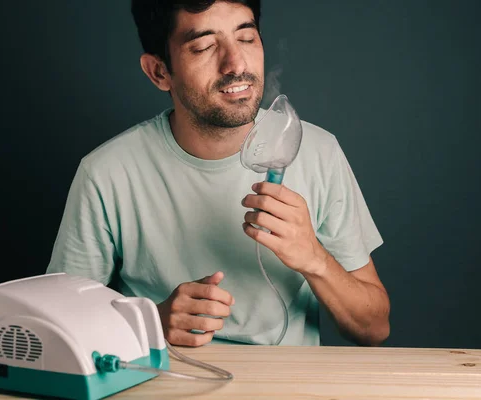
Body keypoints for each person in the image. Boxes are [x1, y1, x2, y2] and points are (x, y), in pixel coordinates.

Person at [46, 0, 390, 347]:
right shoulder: (106, 173)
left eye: (246, 38)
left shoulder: (319, 152)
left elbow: (374, 329)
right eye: (204, 46)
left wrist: (314, 258)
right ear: (159, 72)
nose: (236, 63)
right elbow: (56, 325)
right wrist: (149, 322)